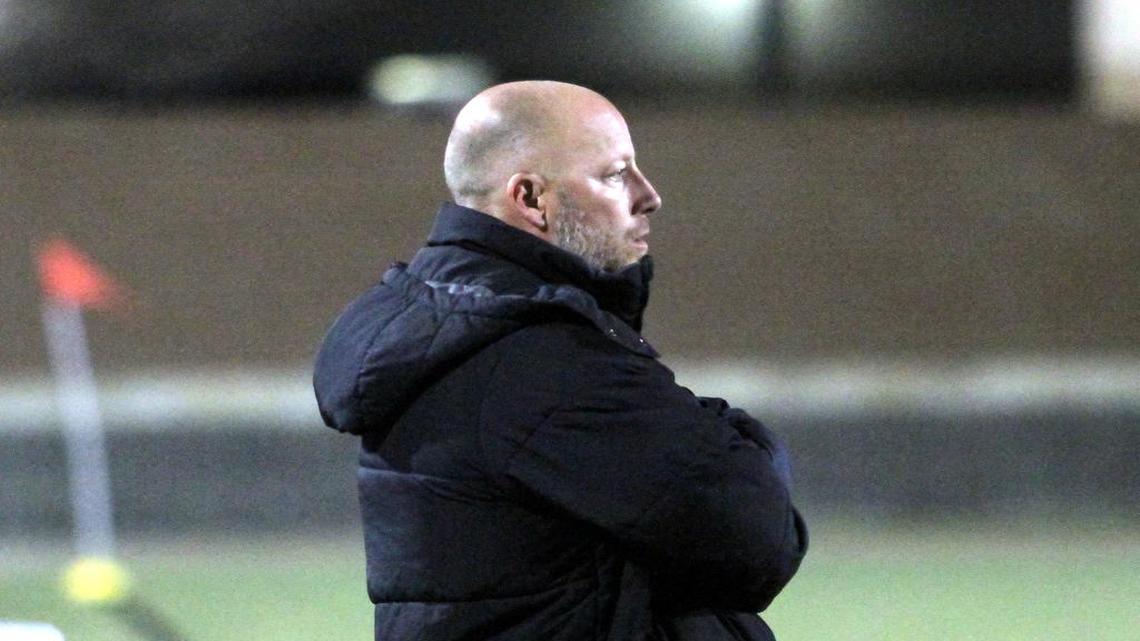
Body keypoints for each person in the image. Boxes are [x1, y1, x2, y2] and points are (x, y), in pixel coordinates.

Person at [313, 80, 807, 641]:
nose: (649, 195)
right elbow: (759, 538)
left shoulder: (460, 334)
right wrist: (748, 441)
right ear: (530, 199)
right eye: (615, 174)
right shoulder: (539, 363)